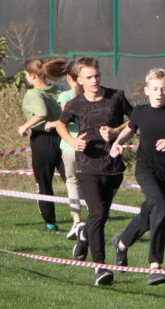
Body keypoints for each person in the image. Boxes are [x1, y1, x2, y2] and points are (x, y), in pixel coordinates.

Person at [109, 68, 165, 285]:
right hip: (145, 169)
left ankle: (121, 243)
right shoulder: (140, 111)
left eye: (164, 89)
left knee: (148, 214)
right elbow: (130, 129)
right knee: (161, 209)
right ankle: (155, 266)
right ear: (146, 91)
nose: (159, 93)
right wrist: (117, 143)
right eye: (155, 89)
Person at [55, 57, 131, 286]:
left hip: (113, 165)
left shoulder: (116, 97)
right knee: (97, 213)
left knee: (101, 215)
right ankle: (101, 267)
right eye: (89, 77)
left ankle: (84, 235)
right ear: (79, 80)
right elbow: (61, 124)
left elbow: (135, 119)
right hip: (87, 165)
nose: (94, 80)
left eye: (97, 75)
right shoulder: (76, 103)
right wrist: (72, 141)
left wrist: (116, 131)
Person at [18, 57, 68, 232]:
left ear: (32, 76)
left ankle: (50, 223)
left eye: (25, 74)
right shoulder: (59, 89)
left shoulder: (33, 93)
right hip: (63, 137)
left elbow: (41, 113)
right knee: (71, 180)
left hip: (42, 141)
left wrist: (25, 126)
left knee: (44, 183)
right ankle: (89, 215)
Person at [56, 60, 85, 240]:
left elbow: (64, 119)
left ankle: (78, 220)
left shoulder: (66, 96)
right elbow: (67, 118)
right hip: (71, 145)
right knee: (75, 180)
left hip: (74, 145)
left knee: (74, 181)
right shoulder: (67, 96)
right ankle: (78, 221)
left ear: (69, 78)